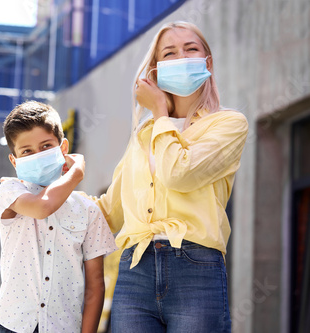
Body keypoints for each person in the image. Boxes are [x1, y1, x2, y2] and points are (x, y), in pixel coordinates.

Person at [94, 21, 249, 332]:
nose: (180, 57)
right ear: (156, 69)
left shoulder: (229, 124)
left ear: (207, 62)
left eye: (190, 49)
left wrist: (160, 112)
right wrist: (53, 197)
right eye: (169, 52)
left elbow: (179, 175)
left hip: (195, 266)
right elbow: (109, 210)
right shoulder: (143, 134)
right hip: (135, 267)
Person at [0, 101, 118, 333]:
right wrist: (76, 173)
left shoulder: (89, 210)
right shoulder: (10, 191)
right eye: (26, 151)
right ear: (14, 160)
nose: (37, 155)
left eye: (46, 146)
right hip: (11, 326)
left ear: (63, 148)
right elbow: (42, 208)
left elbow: (95, 285)